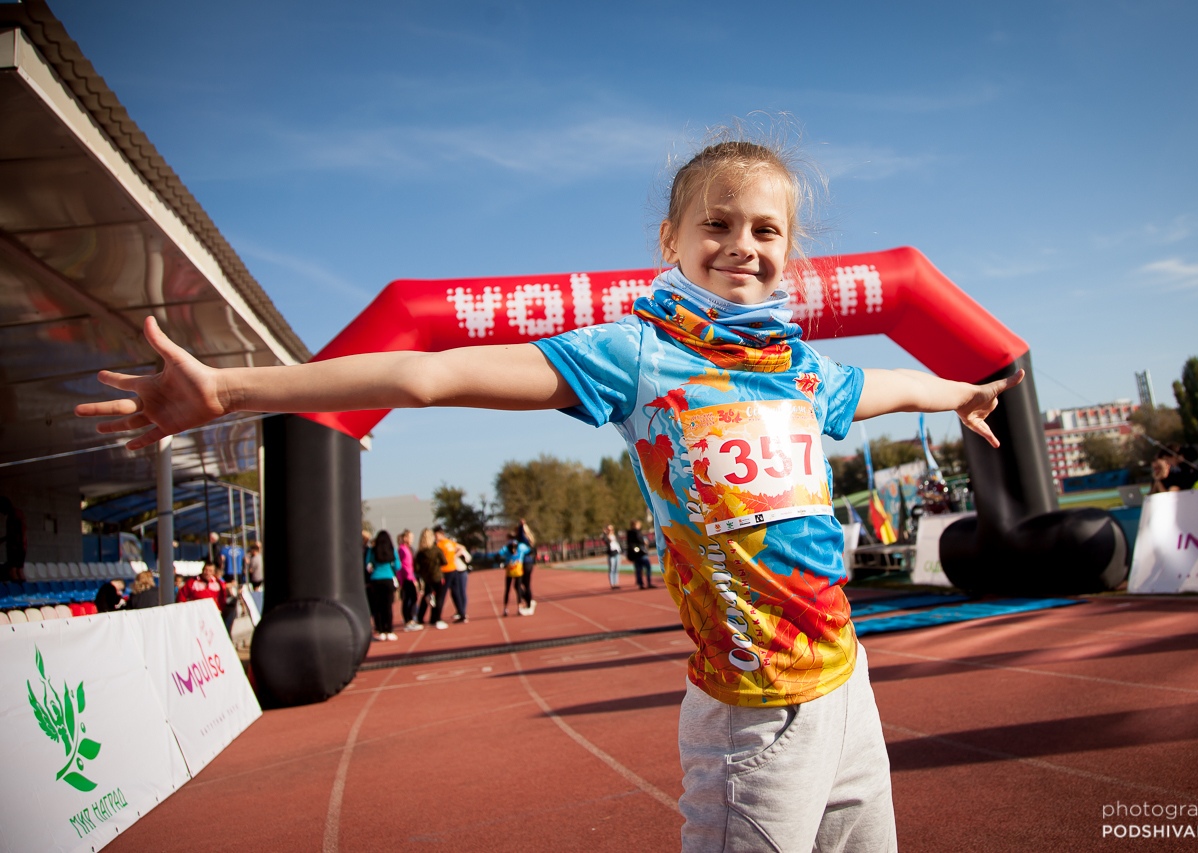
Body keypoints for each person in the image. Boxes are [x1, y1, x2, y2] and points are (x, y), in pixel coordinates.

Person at [76, 132, 1024, 852]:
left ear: (792, 248)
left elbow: (886, 389)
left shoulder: (800, 368)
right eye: (718, 224)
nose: (743, 245)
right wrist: (233, 391)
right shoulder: (639, 356)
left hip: (847, 685)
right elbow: (428, 377)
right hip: (754, 712)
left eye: (765, 229)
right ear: (672, 239)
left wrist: (959, 392)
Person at [366, 530, 398, 641]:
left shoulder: (372, 551)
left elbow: (368, 565)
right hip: (388, 579)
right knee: (388, 606)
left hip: (375, 580)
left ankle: (380, 630)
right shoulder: (392, 550)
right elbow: (398, 565)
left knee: (377, 607)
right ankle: (389, 630)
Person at [413, 528, 448, 629]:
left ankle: (420, 618)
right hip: (437, 577)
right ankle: (436, 618)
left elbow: (417, 568)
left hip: (427, 578)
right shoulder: (436, 550)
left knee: (426, 598)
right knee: (439, 598)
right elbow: (444, 562)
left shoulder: (420, 553)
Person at [497, 535, 532, 616]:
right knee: (515, 589)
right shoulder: (520, 547)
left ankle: (507, 608)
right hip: (516, 571)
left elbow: (497, 556)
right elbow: (530, 550)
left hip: (514, 571)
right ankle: (516, 608)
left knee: (510, 589)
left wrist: (502, 563)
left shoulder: (506, 548)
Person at [397, 529, 422, 630]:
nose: (412, 540)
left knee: (412, 598)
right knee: (409, 598)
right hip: (407, 577)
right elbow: (404, 566)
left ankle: (410, 619)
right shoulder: (402, 549)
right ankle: (408, 620)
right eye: (410, 538)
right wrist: (411, 578)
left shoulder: (408, 549)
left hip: (410, 576)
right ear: (405, 538)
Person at [514, 518, 537, 612]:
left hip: (525, 564)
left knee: (521, 584)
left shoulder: (523, 539)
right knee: (522, 584)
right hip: (527, 563)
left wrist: (521, 525)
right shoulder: (528, 539)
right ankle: (529, 601)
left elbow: (520, 534)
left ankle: (529, 602)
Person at [625, 519, 652, 589]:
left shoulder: (629, 533)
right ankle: (648, 582)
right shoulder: (636, 533)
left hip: (635, 554)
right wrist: (644, 542)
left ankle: (640, 583)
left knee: (639, 569)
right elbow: (639, 541)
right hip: (641, 553)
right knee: (647, 567)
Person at [604, 523, 622, 589]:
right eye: (609, 529)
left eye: (612, 529)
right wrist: (606, 534)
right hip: (611, 554)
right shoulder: (606, 537)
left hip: (617, 552)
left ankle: (616, 583)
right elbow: (606, 541)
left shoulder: (615, 536)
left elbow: (618, 543)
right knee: (612, 569)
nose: (611, 530)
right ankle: (612, 584)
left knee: (616, 569)